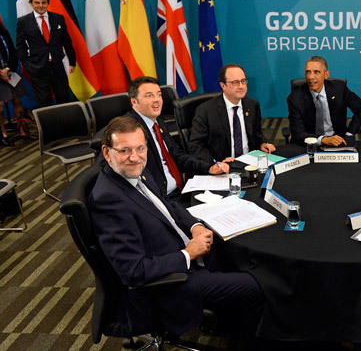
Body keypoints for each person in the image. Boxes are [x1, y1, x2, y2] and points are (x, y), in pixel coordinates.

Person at [89, 116, 263, 338]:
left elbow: (167, 204)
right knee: (256, 285)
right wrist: (188, 254)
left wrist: (195, 226)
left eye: (140, 148)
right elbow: (134, 272)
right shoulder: (109, 201)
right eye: (124, 150)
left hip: (188, 251)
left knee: (252, 261)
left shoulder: (137, 171)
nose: (134, 157)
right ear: (106, 152)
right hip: (173, 281)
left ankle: (226, 323)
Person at [125, 77, 228, 205]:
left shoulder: (158, 124)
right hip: (159, 199)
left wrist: (209, 168)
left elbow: (177, 156)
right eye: (149, 96)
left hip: (181, 191)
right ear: (134, 101)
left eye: (159, 95)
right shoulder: (128, 131)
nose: (157, 100)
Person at [189, 63, 275, 163]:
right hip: (221, 165)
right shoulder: (205, 111)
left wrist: (262, 143)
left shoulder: (252, 105)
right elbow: (196, 145)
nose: (241, 86)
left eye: (243, 81)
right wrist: (215, 163)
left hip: (249, 162)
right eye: (235, 82)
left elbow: (256, 133)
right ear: (223, 85)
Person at [287, 56, 361, 146]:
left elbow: (360, 108)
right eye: (308, 72)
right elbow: (298, 133)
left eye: (316, 72)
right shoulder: (295, 99)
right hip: (309, 143)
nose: (310, 77)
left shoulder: (339, 88)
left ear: (326, 75)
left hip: (337, 141)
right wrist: (323, 140)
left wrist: (349, 133)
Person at [15, 0, 76, 107]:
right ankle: (49, 126)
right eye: (37, 3)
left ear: (48, 3)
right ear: (31, 3)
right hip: (37, 68)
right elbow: (20, 47)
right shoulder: (23, 22)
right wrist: (28, 65)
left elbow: (67, 42)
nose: (41, 6)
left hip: (58, 66)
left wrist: (72, 62)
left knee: (64, 99)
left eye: (44, 2)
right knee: (44, 103)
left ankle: (66, 125)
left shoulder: (58, 18)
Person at [0, 17, 29, 144]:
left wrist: (8, 69)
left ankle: (21, 128)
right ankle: (3, 135)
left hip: (9, 71)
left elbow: (13, 52)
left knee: (17, 101)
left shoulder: (4, 32)